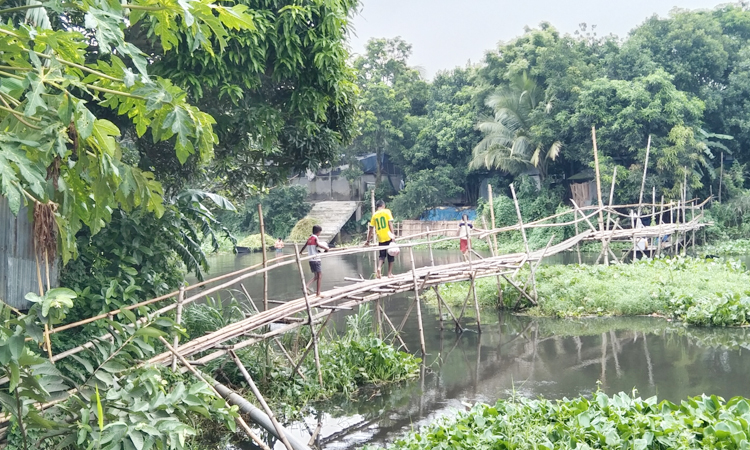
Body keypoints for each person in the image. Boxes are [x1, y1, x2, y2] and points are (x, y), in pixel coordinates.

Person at [365, 200, 396, 278]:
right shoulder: (387, 211)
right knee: (391, 255)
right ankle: (389, 273)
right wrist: (393, 235)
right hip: (388, 236)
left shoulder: (374, 215)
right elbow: (390, 223)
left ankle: (378, 268)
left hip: (380, 238)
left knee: (382, 255)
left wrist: (368, 241)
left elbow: (371, 229)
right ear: (383, 205)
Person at [299, 225, 329, 296]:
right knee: (320, 276)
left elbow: (304, 246)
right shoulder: (315, 238)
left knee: (316, 276)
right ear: (318, 232)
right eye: (320, 232)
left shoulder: (309, 238)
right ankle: (318, 293)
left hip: (311, 260)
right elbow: (319, 244)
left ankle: (306, 286)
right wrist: (327, 248)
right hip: (316, 259)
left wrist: (300, 252)